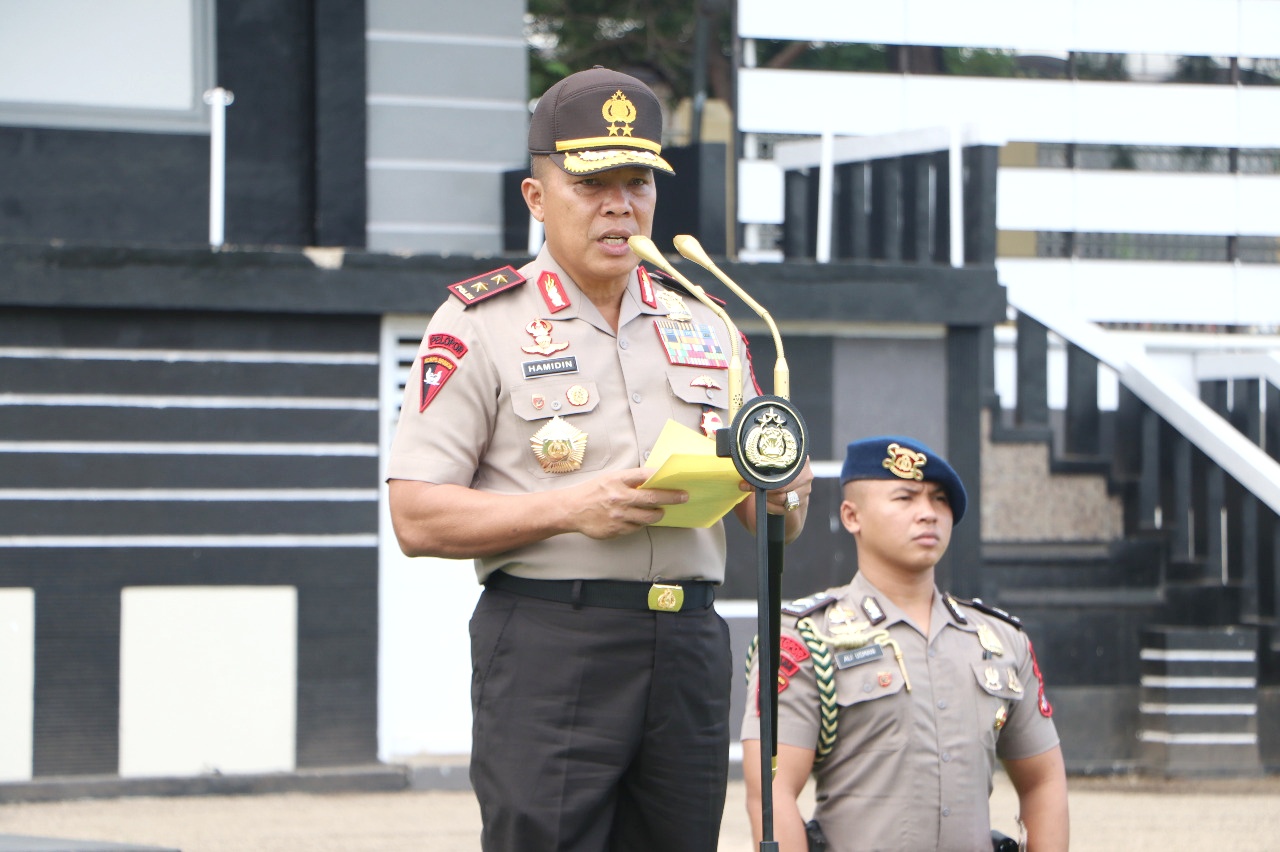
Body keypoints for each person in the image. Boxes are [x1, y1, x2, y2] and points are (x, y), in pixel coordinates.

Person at [387, 66, 814, 852]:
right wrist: (571, 508)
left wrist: (786, 485)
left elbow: (771, 518)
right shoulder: (481, 322)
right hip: (554, 640)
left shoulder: (709, 320)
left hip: (687, 646)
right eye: (592, 183)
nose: (621, 203)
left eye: (638, 181)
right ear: (536, 198)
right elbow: (415, 514)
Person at [741, 436, 1069, 852]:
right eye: (905, 497)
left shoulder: (999, 641)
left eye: (939, 500)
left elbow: (1044, 780)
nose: (928, 514)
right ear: (851, 515)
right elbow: (771, 795)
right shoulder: (807, 639)